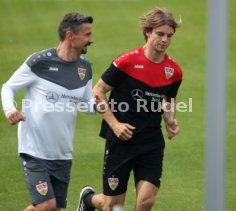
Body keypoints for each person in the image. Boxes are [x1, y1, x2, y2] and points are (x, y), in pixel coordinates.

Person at [77, 7, 183, 211]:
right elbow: (98, 92)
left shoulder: (174, 71)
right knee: (112, 206)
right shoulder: (126, 62)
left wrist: (170, 120)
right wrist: (114, 124)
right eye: (160, 34)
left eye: (169, 36)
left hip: (151, 142)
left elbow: (169, 98)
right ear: (147, 32)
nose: (165, 40)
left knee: (146, 202)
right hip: (120, 142)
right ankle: (88, 200)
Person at [1, 12, 95, 211]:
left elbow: (86, 104)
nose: (91, 40)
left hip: (62, 153)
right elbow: (8, 87)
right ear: (70, 35)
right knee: (47, 206)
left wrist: (100, 106)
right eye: (87, 35)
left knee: (48, 208)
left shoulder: (85, 68)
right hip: (34, 150)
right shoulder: (40, 62)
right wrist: (10, 110)